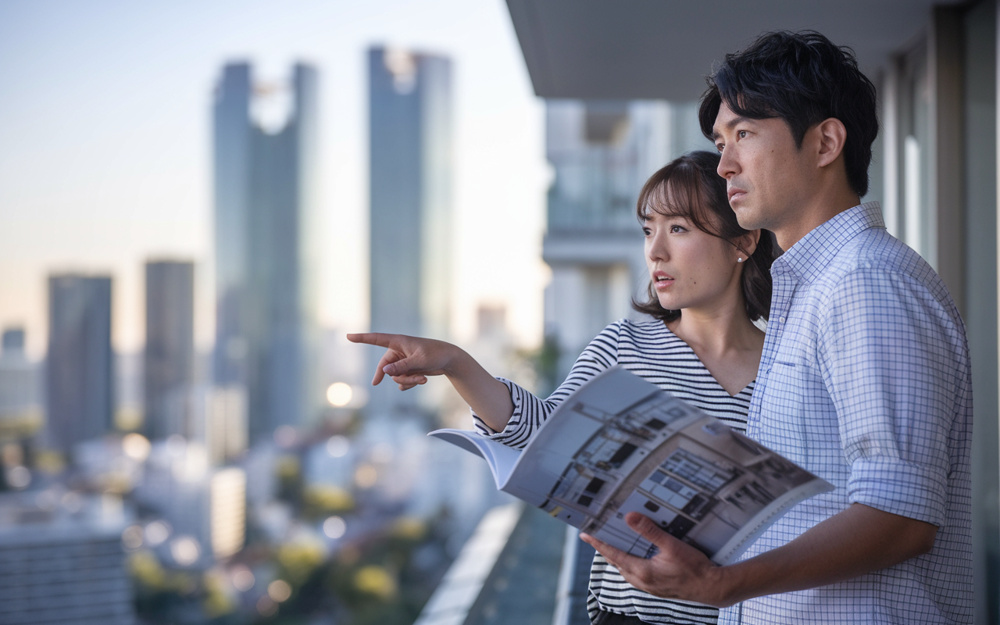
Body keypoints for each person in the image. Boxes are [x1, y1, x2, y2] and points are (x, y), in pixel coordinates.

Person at [579, 31, 973, 625]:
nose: (725, 164)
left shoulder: (865, 284)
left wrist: (723, 583)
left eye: (745, 135)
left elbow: (900, 517)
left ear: (825, 143)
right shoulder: (810, 291)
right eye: (720, 141)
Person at [349, 150, 776, 625]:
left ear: (743, 240)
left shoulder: (787, 362)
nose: (655, 251)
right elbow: (541, 436)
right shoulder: (623, 347)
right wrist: (455, 363)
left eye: (678, 228)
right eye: (648, 230)